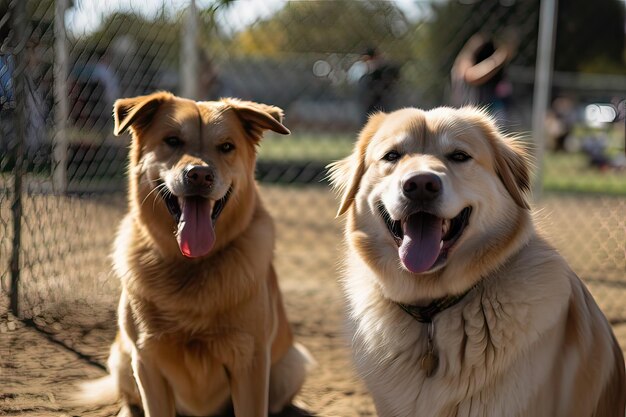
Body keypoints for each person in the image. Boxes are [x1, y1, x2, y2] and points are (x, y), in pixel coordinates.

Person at [450, 33, 514, 123]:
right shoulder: (463, 64)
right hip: (466, 118)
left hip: (485, 114)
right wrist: (499, 58)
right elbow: (472, 76)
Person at [358, 47, 399, 121]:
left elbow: (395, 73)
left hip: (382, 106)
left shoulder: (384, 71)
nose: (368, 62)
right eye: (365, 60)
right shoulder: (364, 76)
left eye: (370, 59)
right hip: (368, 107)